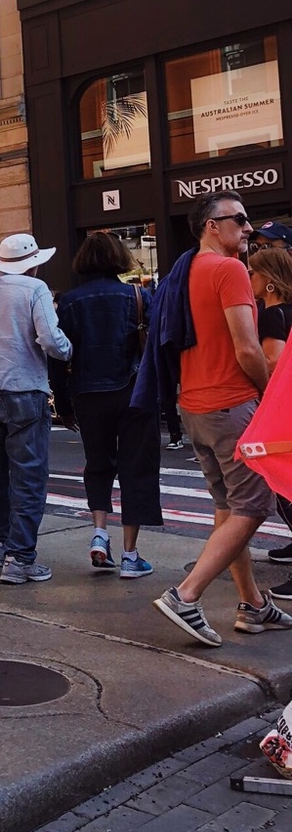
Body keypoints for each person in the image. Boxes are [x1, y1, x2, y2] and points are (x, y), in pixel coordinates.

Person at [133, 191, 292, 646]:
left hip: (195, 408)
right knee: (253, 507)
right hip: (231, 405)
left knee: (228, 508)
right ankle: (186, 595)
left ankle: (253, 604)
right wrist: (269, 396)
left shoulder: (183, 273)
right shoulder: (228, 270)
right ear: (211, 226)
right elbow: (247, 348)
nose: (247, 229)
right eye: (237, 220)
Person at [0, 234, 72, 584]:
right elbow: (51, 339)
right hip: (24, 391)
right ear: (33, 262)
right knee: (29, 477)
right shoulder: (35, 289)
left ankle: (2, 545)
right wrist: (67, 352)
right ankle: (20, 557)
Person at [52, 232, 163, 578]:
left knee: (97, 465)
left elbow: (57, 356)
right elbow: (155, 345)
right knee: (136, 469)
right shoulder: (138, 295)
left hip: (87, 394)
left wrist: (63, 403)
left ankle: (100, 534)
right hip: (133, 392)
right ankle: (130, 554)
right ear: (119, 258)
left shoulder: (69, 301)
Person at [246, 247, 292, 594]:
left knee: (283, 485)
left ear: (270, 284)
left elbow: (273, 364)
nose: (250, 279)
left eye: (254, 273)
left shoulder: (273, 316)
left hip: (281, 412)